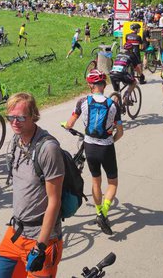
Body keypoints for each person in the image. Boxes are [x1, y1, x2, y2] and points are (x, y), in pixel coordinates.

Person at [0, 93, 64, 278]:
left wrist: (40, 246)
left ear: (33, 115)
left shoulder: (48, 149)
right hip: (15, 232)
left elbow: (54, 201)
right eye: (11, 117)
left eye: (21, 117)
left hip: (41, 240)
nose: (15, 122)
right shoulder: (17, 140)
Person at [64, 70, 122, 235]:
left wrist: (66, 125)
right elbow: (120, 132)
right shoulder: (113, 104)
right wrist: (110, 141)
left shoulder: (83, 101)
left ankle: (98, 211)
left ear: (90, 85)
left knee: (96, 182)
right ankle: (103, 212)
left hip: (89, 147)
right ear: (104, 85)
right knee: (112, 183)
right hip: (106, 147)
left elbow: (69, 124)